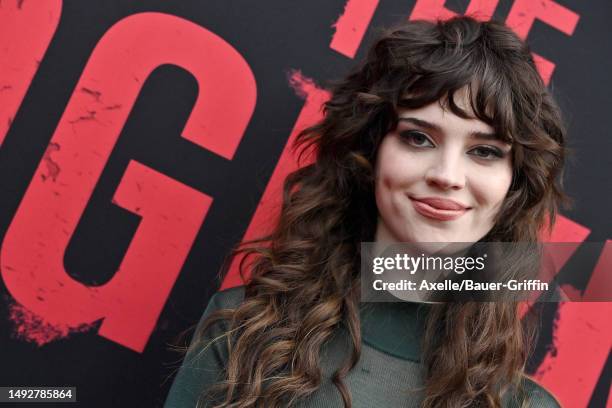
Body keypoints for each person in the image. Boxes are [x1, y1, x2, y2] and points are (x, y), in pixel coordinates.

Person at [164, 15, 569, 408]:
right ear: (370, 153)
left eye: (484, 151)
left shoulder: (522, 404)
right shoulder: (242, 332)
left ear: (514, 185)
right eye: (418, 138)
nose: (447, 176)